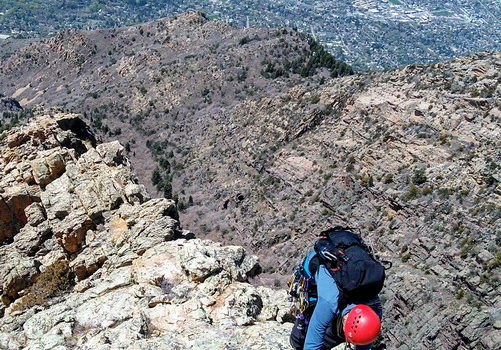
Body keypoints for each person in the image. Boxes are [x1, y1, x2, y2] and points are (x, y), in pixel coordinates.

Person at [288, 227, 385, 350]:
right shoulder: (329, 301)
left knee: (335, 333)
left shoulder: (373, 313)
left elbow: (364, 345)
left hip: (346, 279)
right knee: (299, 342)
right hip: (316, 274)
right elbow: (311, 346)